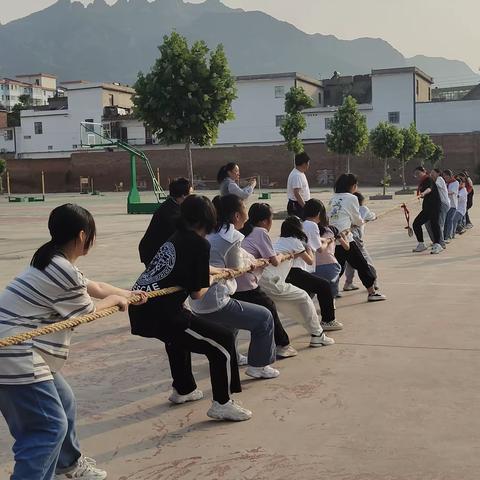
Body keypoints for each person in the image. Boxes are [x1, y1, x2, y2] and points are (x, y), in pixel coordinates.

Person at [0, 204, 147, 480]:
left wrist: (128, 293)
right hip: (14, 353)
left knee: (64, 401)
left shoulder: (50, 260)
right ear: (82, 236)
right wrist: (114, 302)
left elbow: (97, 288)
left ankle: (67, 464)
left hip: (15, 349)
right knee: (46, 429)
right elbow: (89, 312)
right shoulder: (62, 269)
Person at [129, 195, 252, 422]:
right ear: (209, 219)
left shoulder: (176, 237)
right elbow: (197, 293)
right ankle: (222, 403)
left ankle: (183, 389)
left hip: (143, 309)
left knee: (177, 341)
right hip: (163, 313)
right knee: (222, 342)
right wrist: (215, 280)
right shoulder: (199, 243)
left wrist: (216, 271)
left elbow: (194, 267)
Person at [190, 195, 279, 380]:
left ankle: (235, 356)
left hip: (198, 301)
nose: (247, 211)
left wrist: (252, 261)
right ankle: (259, 366)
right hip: (215, 301)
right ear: (237, 216)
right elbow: (236, 268)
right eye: (244, 207)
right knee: (264, 317)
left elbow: (239, 256)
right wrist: (251, 265)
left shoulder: (209, 232)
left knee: (234, 322)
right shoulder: (232, 236)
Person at [234, 203, 298, 358]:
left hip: (234, 283)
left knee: (234, 322)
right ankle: (282, 345)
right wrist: (285, 255)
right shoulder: (261, 232)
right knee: (269, 309)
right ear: (264, 221)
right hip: (246, 283)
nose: (271, 222)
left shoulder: (243, 231)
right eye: (271, 218)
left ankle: (233, 352)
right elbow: (274, 261)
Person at [258, 217, 336, 343]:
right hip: (273, 282)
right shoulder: (295, 242)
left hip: (262, 281)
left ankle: (283, 342)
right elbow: (310, 260)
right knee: (305, 298)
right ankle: (318, 335)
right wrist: (308, 248)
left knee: (280, 307)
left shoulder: (279, 241)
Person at [328, 173, 386, 301]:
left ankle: (330, 294)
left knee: (338, 268)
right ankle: (371, 293)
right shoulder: (351, 198)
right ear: (352, 186)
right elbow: (357, 219)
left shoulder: (333, 198)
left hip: (334, 238)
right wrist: (369, 218)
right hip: (346, 239)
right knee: (362, 265)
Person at [290, 206, 344, 331]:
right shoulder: (313, 225)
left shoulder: (302, 224)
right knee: (324, 286)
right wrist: (328, 242)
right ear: (319, 213)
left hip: (298, 267)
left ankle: (307, 319)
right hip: (298, 268)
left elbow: (312, 242)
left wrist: (324, 240)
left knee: (308, 292)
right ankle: (328, 320)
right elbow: (319, 248)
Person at [138, 177, 192, 266]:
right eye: (191, 193)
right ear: (183, 196)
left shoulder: (174, 205)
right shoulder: (171, 212)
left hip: (159, 249)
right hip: (153, 252)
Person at [344, 192, 379, 291]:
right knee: (366, 260)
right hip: (355, 238)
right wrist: (373, 217)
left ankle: (348, 283)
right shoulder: (363, 209)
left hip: (347, 237)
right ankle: (373, 280)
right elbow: (369, 216)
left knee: (351, 261)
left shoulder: (347, 208)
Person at [313, 200, 346, 298]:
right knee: (335, 277)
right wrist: (342, 236)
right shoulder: (332, 230)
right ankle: (333, 298)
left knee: (317, 289)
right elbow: (346, 247)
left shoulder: (310, 230)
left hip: (313, 267)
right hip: (331, 265)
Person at [412, 166, 442, 254]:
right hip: (427, 207)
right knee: (416, 223)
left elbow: (429, 189)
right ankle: (421, 244)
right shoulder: (422, 182)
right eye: (415, 174)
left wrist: (423, 193)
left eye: (418, 173)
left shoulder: (428, 179)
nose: (417, 176)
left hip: (434, 206)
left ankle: (438, 245)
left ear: (424, 172)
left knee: (434, 224)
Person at [427, 169, 450, 248]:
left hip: (443, 204)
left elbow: (433, 186)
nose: (431, 174)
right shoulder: (436, 180)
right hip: (437, 205)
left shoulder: (440, 179)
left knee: (439, 224)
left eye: (433, 173)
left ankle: (441, 243)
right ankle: (436, 242)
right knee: (429, 223)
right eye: (431, 173)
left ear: (438, 173)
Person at [286, 152, 311, 217]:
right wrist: (305, 207)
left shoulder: (300, 173)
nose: (308, 165)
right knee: (299, 226)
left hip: (299, 204)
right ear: (304, 164)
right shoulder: (297, 175)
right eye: (308, 163)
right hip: (297, 205)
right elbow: (296, 193)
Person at [443, 169, 460, 241]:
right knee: (445, 221)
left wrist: (443, 193)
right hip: (446, 205)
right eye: (444, 176)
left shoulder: (455, 182)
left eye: (445, 176)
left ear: (449, 175)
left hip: (453, 205)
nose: (444, 178)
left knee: (449, 220)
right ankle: (444, 237)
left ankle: (448, 236)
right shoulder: (446, 183)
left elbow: (452, 192)